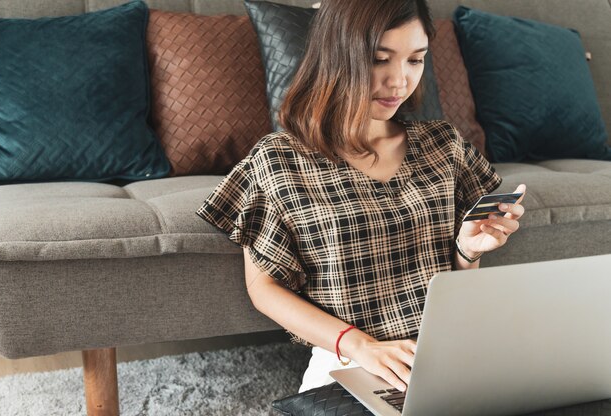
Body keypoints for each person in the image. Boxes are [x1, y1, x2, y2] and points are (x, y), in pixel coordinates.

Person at [197, 0, 525, 394]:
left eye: (415, 60)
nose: (400, 81)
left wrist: (468, 254)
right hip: (350, 360)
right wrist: (361, 346)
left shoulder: (444, 146)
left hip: (450, 350)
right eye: (379, 59)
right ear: (336, 56)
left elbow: (456, 285)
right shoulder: (278, 159)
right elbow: (263, 289)